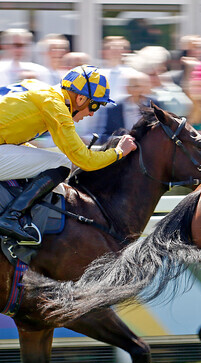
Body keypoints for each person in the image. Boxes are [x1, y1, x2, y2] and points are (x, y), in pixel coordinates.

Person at [0, 65, 136, 242]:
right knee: (61, 163)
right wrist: (118, 152)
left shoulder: (39, 88)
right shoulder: (56, 106)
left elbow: (10, 130)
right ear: (80, 98)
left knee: (49, 160)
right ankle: (10, 218)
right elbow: (83, 160)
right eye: (94, 104)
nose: (93, 113)